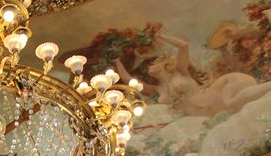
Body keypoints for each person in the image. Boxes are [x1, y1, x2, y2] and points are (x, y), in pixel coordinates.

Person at [116, 33, 271, 117]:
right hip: (211, 112)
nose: (149, 67)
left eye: (152, 63)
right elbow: (128, 80)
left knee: (231, 103)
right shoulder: (156, 89)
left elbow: (183, 46)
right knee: (232, 108)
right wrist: (116, 61)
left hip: (221, 90)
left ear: (163, 64)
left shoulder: (180, 71)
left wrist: (161, 37)